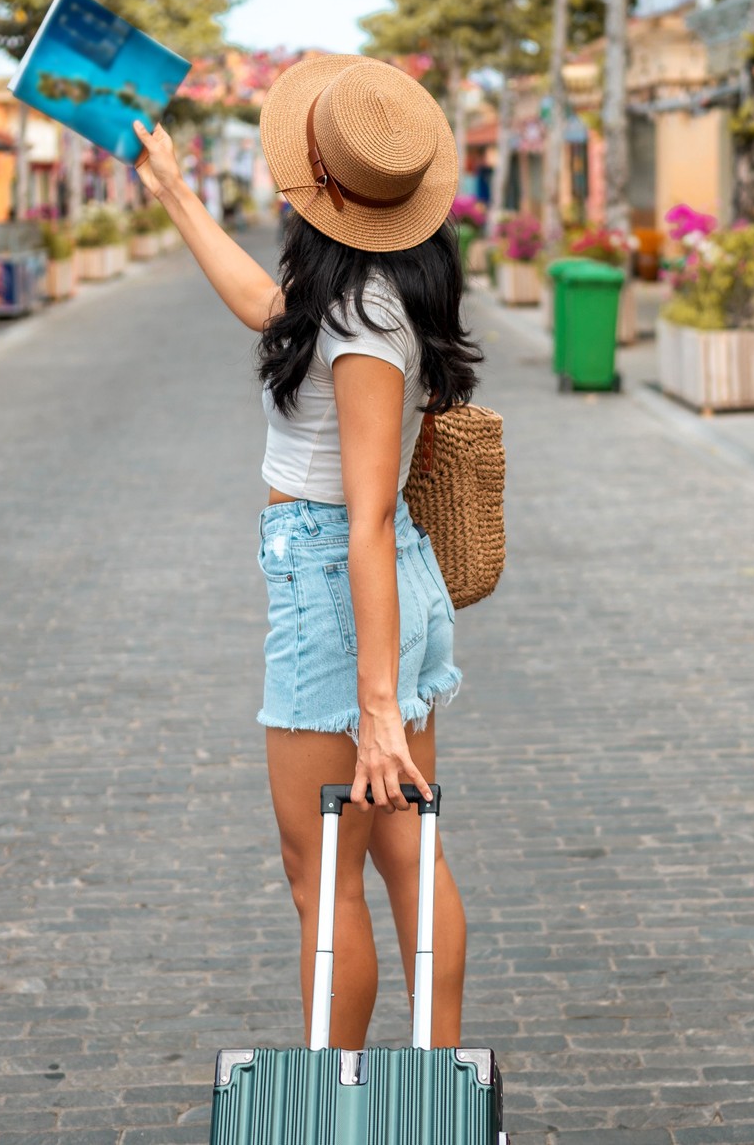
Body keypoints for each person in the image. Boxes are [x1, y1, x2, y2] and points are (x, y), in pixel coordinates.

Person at [133, 54, 481, 1049]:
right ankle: (432, 1091)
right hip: (367, 580)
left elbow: (365, 516)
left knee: (325, 875)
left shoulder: (365, 323)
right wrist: (177, 195)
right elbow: (262, 303)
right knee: (408, 853)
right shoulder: (359, 287)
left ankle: (343, 1104)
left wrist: (375, 710)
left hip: (339, 586)